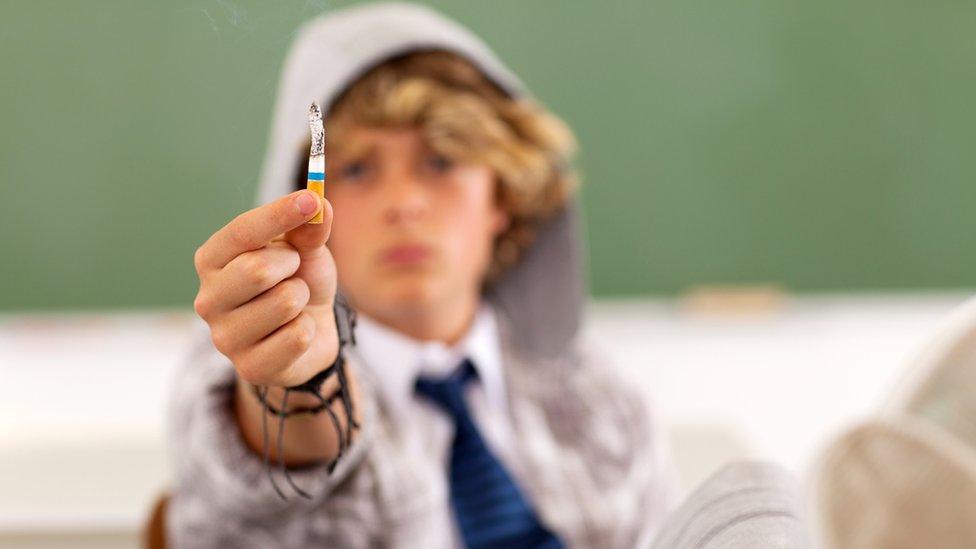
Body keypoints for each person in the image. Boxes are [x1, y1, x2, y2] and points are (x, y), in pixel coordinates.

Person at [168, 3, 678, 547]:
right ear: (309, 204)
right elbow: (289, 450)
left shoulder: (600, 400)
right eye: (358, 169)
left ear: (502, 196)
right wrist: (301, 378)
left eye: (440, 162)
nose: (404, 204)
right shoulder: (230, 380)